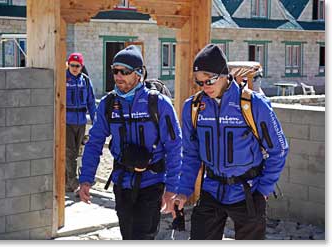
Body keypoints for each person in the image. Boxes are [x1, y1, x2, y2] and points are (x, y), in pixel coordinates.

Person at [174, 44, 289, 240]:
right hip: (211, 190)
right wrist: (183, 190)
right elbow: (191, 154)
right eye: (199, 82)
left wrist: (263, 191)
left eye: (208, 81)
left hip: (248, 192)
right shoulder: (192, 107)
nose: (204, 87)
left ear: (224, 74)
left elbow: (279, 149)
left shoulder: (253, 105)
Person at [78, 45, 182, 240]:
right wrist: (86, 178)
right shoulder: (109, 104)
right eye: (115, 70)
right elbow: (94, 142)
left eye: (124, 71)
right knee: (128, 236)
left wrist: (172, 189)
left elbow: (175, 147)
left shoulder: (158, 104)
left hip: (152, 183)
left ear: (138, 73)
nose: (118, 76)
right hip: (122, 183)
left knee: (142, 237)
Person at [65, 53, 96, 193]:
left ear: (81, 66)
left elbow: (91, 102)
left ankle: (69, 181)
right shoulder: (62, 79)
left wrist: (95, 121)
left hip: (81, 122)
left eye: (77, 66)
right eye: (72, 65)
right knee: (69, 152)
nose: (74, 68)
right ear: (68, 64)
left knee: (77, 152)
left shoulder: (86, 81)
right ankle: (73, 182)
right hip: (66, 122)